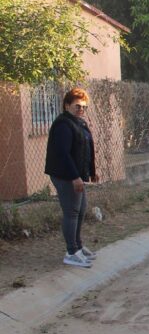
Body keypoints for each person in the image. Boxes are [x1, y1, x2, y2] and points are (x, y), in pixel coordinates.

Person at [44, 87, 99, 268]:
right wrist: (75, 177)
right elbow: (63, 154)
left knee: (81, 209)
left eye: (84, 106)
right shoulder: (63, 125)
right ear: (67, 105)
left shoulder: (78, 123)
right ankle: (71, 252)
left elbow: (85, 149)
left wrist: (91, 171)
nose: (81, 109)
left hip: (76, 174)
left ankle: (78, 247)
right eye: (77, 106)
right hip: (65, 174)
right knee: (72, 211)